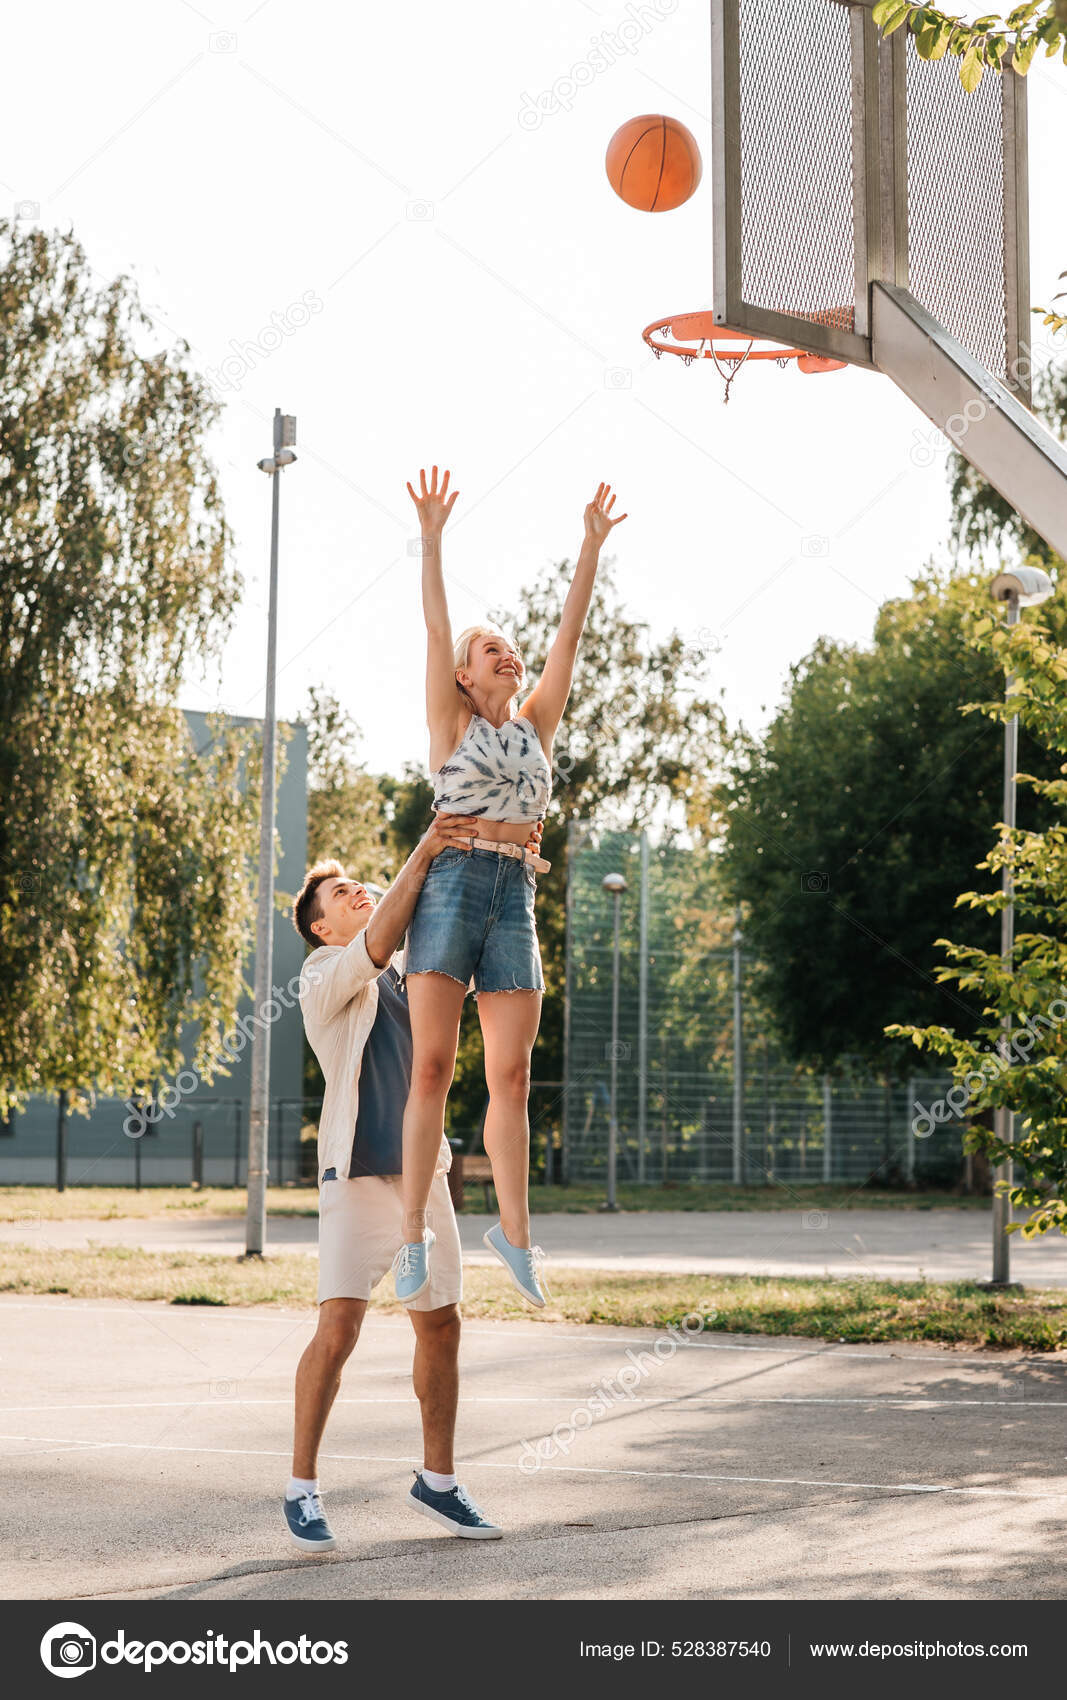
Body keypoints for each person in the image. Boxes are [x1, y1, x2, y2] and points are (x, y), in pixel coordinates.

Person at [395, 465, 627, 1309]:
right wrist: (431, 540)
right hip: (452, 884)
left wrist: (588, 549)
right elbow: (434, 629)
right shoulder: (451, 721)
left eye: (506, 646)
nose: (507, 651)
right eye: (488, 648)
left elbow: (570, 636)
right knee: (430, 1068)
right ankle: (412, 1232)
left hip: (514, 896)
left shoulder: (535, 726)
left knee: (512, 1078)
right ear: (464, 675)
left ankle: (517, 1235)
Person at [285, 810, 539, 1550]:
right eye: (337, 892)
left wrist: (505, 852)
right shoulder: (324, 975)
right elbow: (381, 935)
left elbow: (462, 913)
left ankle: (437, 1483)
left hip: (420, 1179)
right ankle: (301, 1489)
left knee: (441, 1324)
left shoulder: (413, 970)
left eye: (354, 881)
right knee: (338, 1328)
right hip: (357, 1178)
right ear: (322, 928)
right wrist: (429, 842)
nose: (353, 888)